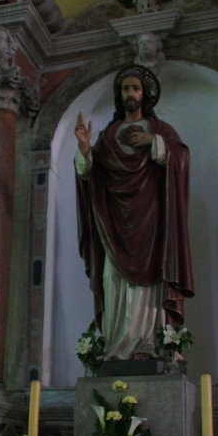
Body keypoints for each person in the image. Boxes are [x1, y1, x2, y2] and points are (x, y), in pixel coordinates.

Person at [74, 64, 194, 361]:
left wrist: (155, 142)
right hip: (113, 225)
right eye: (126, 88)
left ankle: (151, 345)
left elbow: (182, 159)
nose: (131, 93)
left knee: (151, 285)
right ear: (120, 95)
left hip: (151, 223)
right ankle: (118, 347)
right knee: (113, 282)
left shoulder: (160, 130)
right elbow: (89, 176)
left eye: (136, 88)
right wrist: (85, 149)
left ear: (144, 95)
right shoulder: (108, 135)